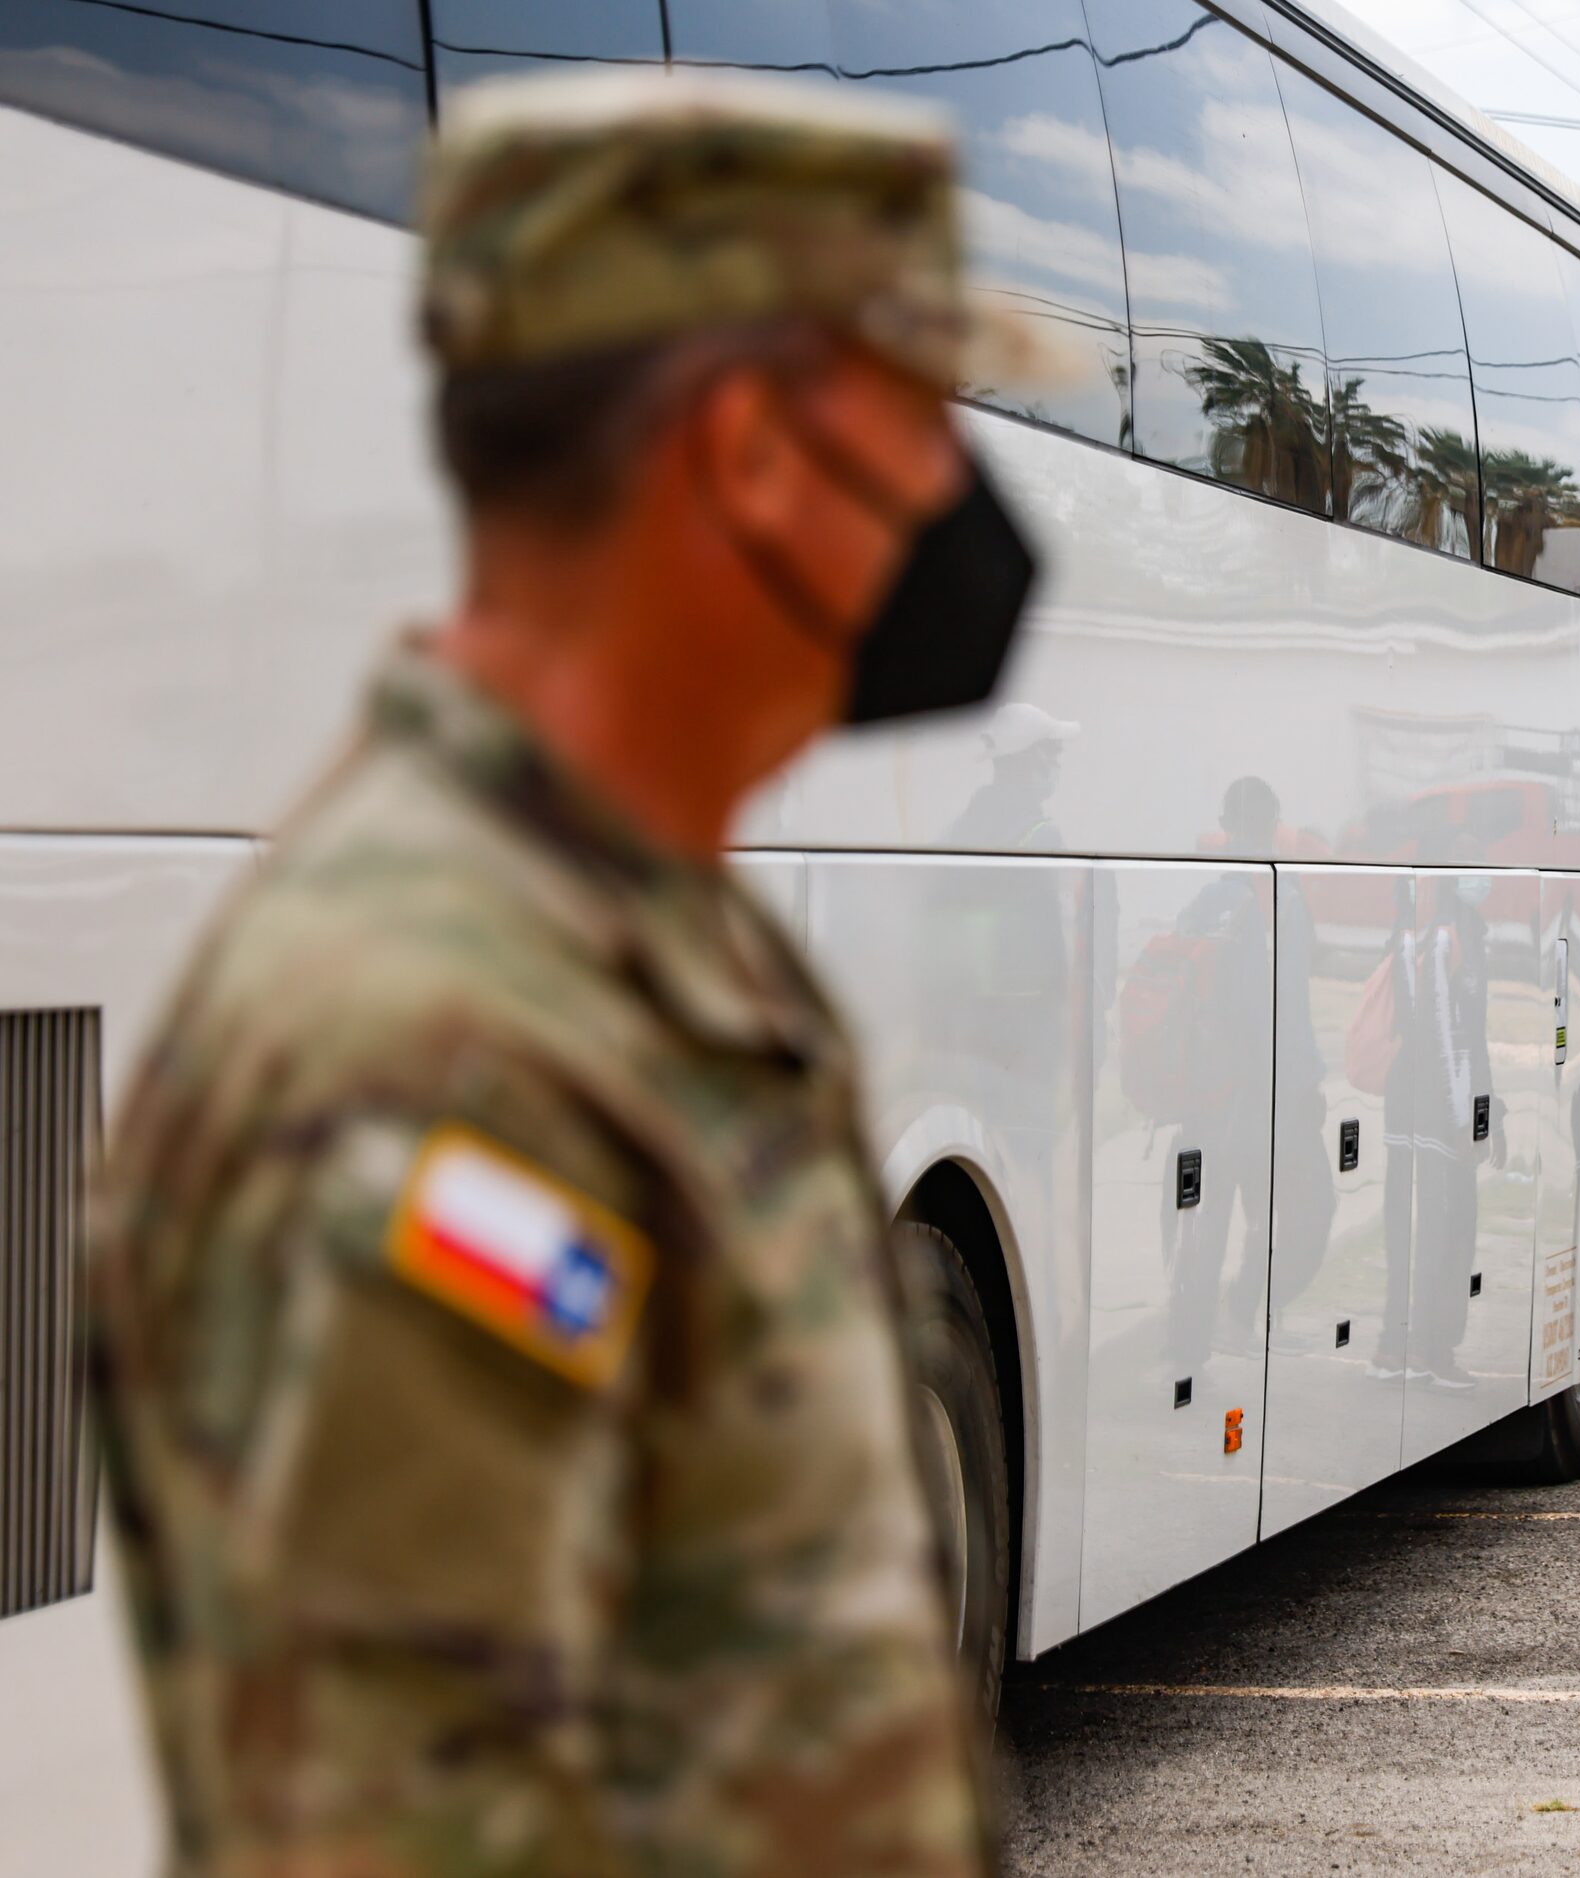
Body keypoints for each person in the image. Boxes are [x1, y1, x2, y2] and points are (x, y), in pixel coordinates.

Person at [86, 70, 1043, 1874]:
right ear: (750, 453)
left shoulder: (662, 954)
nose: (956, 499)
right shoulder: (426, 1045)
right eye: (922, 420)